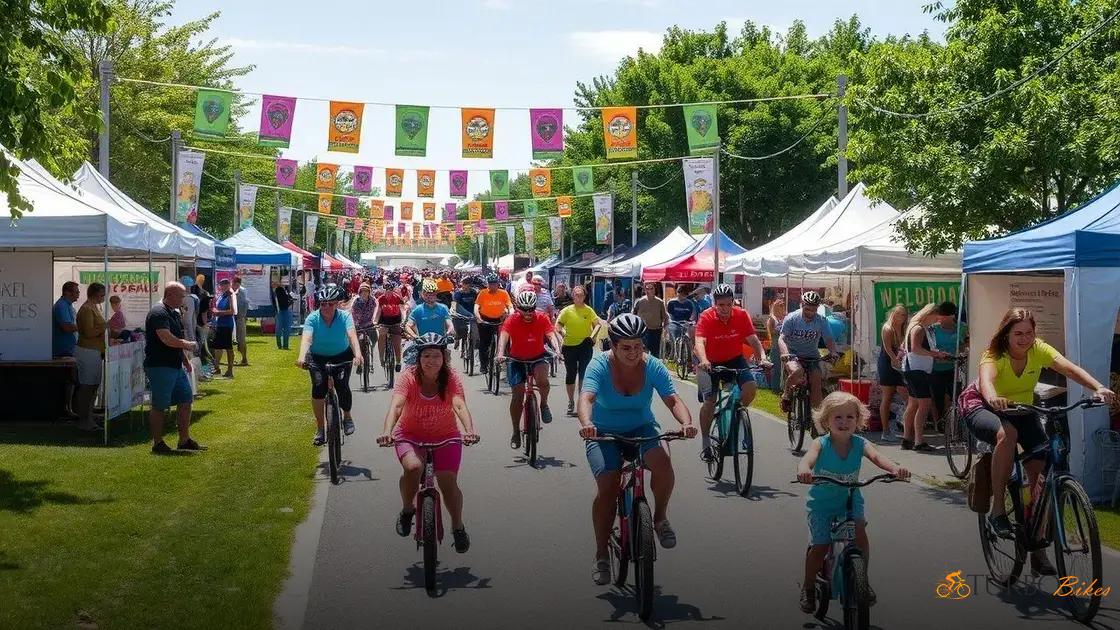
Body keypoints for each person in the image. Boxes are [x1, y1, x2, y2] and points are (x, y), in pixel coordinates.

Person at [963, 308, 1114, 573]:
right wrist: (994, 397)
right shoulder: (994, 354)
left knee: (1040, 475)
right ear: (1006, 334)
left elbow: (1069, 368)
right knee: (1007, 434)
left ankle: (1038, 547)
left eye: (1029, 333)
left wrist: (1098, 387)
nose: (1025, 339)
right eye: (1018, 334)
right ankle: (997, 511)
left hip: (1022, 408)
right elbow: (987, 382)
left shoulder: (1038, 349)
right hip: (984, 405)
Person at [578, 313, 698, 585]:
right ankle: (601, 554)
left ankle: (660, 519)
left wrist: (687, 423)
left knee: (663, 462)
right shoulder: (599, 365)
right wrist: (587, 424)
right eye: (626, 347)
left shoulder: (652, 365)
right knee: (608, 487)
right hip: (603, 432)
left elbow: (672, 399)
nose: (633, 353)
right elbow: (587, 397)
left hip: (642, 428)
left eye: (638, 346)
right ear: (612, 345)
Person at [796, 391, 910, 613]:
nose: (844, 422)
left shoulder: (860, 443)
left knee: (859, 533)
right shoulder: (821, 443)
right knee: (820, 545)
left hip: (850, 499)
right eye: (837, 417)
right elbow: (808, 459)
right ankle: (808, 587)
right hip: (821, 504)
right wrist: (804, 469)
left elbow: (877, 457)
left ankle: (862, 580)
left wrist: (895, 468)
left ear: (858, 420)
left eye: (850, 417)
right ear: (826, 420)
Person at [377, 333, 480, 553]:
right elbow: (397, 406)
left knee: (448, 483)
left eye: (436, 356)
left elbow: (459, 405)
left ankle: (458, 527)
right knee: (413, 468)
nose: (431, 361)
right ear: (418, 358)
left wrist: (469, 430)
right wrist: (387, 432)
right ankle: (407, 510)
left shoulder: (450, 377)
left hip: (446, 436)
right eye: (426, 356)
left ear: (444, 357)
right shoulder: (408, 377)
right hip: (410, 435)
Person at [694, 283, 771, 461]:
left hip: (734, 359)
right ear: (714, 304)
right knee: (710, 402)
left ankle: (735, 415)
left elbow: (753, 339)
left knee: (750, 388)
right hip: (710, 362)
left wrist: (763, 357)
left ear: (733, 302)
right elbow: (699, 342)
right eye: (721, 305)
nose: (725, 309)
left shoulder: (741, 315)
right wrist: (704, 360)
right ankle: (705, 441)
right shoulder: (706, 316)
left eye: (729, 304)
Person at [296, 284, 364, 445]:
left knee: (342, 386)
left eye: (330, 303)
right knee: (318, 389)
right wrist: (301, 357)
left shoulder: (345, 317)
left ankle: (347, 416)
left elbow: (352, 336)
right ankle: (320, 428)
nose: (326, 307)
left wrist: (358, 354)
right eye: (323, 304)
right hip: (317, 357)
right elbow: (307, 338)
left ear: (337, 304)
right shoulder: (312, 318)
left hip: (341, 355)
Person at [495, 291, 562, 447]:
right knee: (518, 395)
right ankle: (515, 431)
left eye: (531, 309)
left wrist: (557, 350)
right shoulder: (512, 319)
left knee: (542, 380)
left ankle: (543, 404)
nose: (528, 313)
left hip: (538, 357)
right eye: (524, 309)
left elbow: (551, 335)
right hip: (516, 359)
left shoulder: (542, 318)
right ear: (518, 308)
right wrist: (500, 353)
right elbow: (504, 336)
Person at [144, 282, 203, 454]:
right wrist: (187, 344)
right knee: (160, 405)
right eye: (181, 296)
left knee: (186, 400)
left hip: (175, 366)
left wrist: (185, 360)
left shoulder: (174, 313)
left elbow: (175, 339)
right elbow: (166, 338)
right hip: (160, 365)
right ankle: (157, 443)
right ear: (169, 294)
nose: (183, 299)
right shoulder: (158, 313)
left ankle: (184, 440)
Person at [900, 304, 951, 452]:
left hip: (914, 369)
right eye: (936, 317)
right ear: (929, 315)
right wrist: (936, 354)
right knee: (924, 404)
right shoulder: (918, 328)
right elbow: (916, 348)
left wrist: (935, 354)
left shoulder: (917, 327)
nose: (937, 320)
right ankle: (918, 441)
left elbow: (917, 348)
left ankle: (907, 439)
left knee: (913, 404)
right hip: (917, 370)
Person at [778, 291, 839, 412]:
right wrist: (785, 353)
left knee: (816, 380)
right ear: (802, 305)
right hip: (792, 354)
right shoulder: (792, 318)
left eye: (814, 310)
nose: (810, 313)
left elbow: (828, 339)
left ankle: (816, 417)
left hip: (812, 356)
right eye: (807, 309)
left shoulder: (821, 320)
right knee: (797, 371)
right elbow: (782, 338)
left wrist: (833, 352)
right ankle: (786, 393)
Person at [555, 285, 603, 416]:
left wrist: (592, 337)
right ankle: (571, 401)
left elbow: (597, 325)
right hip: (569, 345)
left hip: (584, 345)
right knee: (571, 373)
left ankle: (582, 402)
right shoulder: (567, 310)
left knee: (583, 373)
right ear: (573, 296)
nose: (578, 297)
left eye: (581, 295)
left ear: (584, 296)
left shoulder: (588, 310)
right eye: (576, 295)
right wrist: (563, 332)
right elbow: (558, 325)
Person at [74, 282, 109, 432]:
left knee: (93, 387)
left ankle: (89, 417)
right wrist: (105, 326)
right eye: (102, 294)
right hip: (87, 351)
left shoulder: (95, 307)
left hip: (95, 351)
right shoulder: (87, 309)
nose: (103, 297)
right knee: (87, 387)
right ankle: (84, 420)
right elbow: (88, 332)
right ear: (95, 294)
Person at [877, 305, 909, 432]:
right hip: (887, 363)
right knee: (887, 396)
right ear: (894, 314)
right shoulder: (887, 328)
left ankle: (903, 423)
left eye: (905, 315)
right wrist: (894, 359)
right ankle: (885, 430)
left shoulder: (904, 329)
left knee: (908, 396)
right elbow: (887, 348)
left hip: (899, 364)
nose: (903, 317)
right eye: (901, 314)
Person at [929, 301, 960, 422]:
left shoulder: (961, 328)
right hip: (936, 369)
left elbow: (966, 345)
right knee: (938, 398)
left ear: (952, 316)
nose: (940, 319)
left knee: (954, 396)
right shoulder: (933, 329)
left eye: (944, 317)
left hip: (954, 369)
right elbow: (928, 347)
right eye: (940, 316)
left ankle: (951, 421)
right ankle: (939, 422)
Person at [474, 274, 512, 370]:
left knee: (505, 340)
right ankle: (483, 364)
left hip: (499, 319)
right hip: (485, 319)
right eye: (490, 284)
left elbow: (510, 306)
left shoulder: (503, 293)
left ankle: (504, 359)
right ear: (488, 284)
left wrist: (511, 315)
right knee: (484, 343)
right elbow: (476, 307)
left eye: (494, 284)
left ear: (498, 284)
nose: (492, 286)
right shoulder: (483, 293)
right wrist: (478, 317)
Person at [374, 281, 407, 372]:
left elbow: (402, 309)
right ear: (384, 290)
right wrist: (375, 321)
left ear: (393, 290)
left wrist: (403, 320)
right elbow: (378, 311)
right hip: (384, 321)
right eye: (386, 290)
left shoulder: (397, 297)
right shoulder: (381, 298)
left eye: (390, 290)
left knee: (397, 343)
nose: (388, 291)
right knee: (381, 336)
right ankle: (381, 358)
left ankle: (398, 362)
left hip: (396, 321)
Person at [632, 281, 668, 359]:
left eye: (651, 288)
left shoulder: (660, 302)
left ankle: (653, 365)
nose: (649, 290)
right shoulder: (639, 301)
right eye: (647, 288)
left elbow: (664, 317)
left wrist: (665, 328)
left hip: (656, 330)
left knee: (655, 353)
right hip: (643, 330)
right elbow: (634, 315)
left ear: (655, 289)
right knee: (643, 352)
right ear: (644, 290)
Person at [211, 279, 237, 378]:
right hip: (220, 324)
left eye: (223, 285)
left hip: (227, 325)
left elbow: (232, 311)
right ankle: (216, 367)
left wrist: (218, 313)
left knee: (228, 348)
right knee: (218, 347)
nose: (221, 287)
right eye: (220, 285)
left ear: (227, 285)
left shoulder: (230, 295)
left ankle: (230, 371)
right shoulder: (222, 295)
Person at [349, 282, 378, 358]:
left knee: (375, 338)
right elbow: (353, 313)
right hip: (358, 324)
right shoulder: (356, 301)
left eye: (366, 291)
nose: (364, 293)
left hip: (369, 323)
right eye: (362, 291)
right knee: (359, 341)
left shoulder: (372, 300)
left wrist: (375, 319)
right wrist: (355, 324)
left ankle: (370, 350)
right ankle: (359, 356)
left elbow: (376, 309)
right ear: (360, 292)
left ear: (369, 292)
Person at [451, 277, 479, 353]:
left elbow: (477, 303)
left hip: (472, 316)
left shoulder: (474, 292)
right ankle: (457, 339)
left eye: (468, 284)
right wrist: (466, 313)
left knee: (475, 333)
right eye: (464, 283)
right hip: (461, 316)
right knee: (459, 331)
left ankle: (474, 345)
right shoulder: (458, 293)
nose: (466, 286)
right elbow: (456, 305)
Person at [666, 284, 697, 349]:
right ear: (677, 293)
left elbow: (693, 315)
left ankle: (691, 348)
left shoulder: (689, 303)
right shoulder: (671, 302)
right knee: (674, 329)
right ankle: (673, 349)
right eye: (680, 294)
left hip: (686, 323)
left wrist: (690, 322)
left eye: (684, 295)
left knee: (692, 330)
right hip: (674, 322)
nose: (681, 296)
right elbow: (669, 315)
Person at [765, 299, 787, 391]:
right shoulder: (772, 318)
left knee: (783, 367)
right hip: (775, 345)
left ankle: (782, 386)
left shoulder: (784, 318)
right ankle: (775, 387)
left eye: (783, 306)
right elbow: (771, 331)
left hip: (783, 345)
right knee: (776, 367)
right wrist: (781, 331)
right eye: (780, 306)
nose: (782, 307)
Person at [232, 276, 250, 366]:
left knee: (241, 340)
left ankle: (244, 359)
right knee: (238, 340)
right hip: (238, 318)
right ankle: (242, 359)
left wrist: (240, 316)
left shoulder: (241, 292)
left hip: (239, 318)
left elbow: (242, 306)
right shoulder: (238, 291)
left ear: (236, 283)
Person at [272, 279, 294, 350]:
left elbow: (275, 303)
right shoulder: (283, 291)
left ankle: (280, 346)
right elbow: (286, 302)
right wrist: (291, 301)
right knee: (286, 329)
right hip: (285, 311)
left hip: (279, 311)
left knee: (279, 329)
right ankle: (285, 345)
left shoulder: (275, 292)